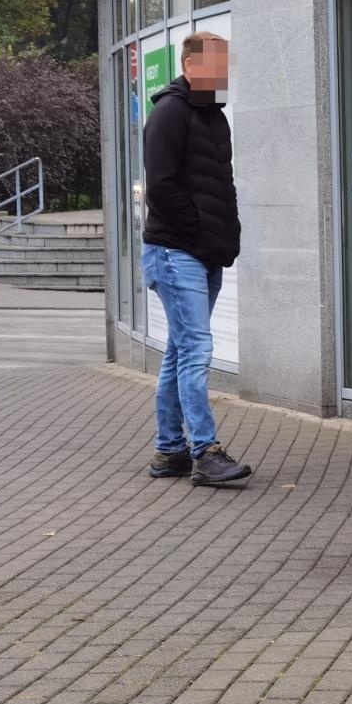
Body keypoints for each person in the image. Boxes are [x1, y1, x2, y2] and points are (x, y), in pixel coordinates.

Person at [141, 31, 250, 486]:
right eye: (218, 65)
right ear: (191, 66)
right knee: (197, 349)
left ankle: (170, 451)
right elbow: (161, 186)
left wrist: (227, 236)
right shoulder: (169, 113)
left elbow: (222, 186)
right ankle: (205, 451)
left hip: (206, 252)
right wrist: (202, 230)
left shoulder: (214, 117)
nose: (225, 73)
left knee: (180, 349)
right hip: (174, 251)